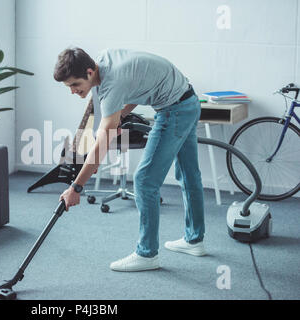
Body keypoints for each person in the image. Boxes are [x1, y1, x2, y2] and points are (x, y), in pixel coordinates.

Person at [54, 47, 206, 272]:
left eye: (75, 85)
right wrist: (120, 115)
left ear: (88, 72)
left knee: (145, 180)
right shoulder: (105, 61)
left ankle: (147, 254)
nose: (73, 91)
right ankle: (195, 240)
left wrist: (76, 187)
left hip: (174, 111)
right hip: (188, 101)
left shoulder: (112, 84)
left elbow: (101, 144)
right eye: (68, 87)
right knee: (187, 173)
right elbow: (135, 86)